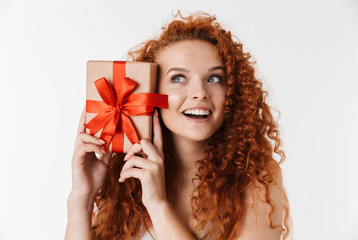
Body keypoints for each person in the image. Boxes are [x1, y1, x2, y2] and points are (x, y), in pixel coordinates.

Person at [65, 11, 290, 240]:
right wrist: (81, 199)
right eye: (178, 78)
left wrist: (158, 203)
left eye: (214, 79)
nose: (200, 93)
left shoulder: (256, 177)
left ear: (232, 93)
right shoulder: (126, 175)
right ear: (151, 90)